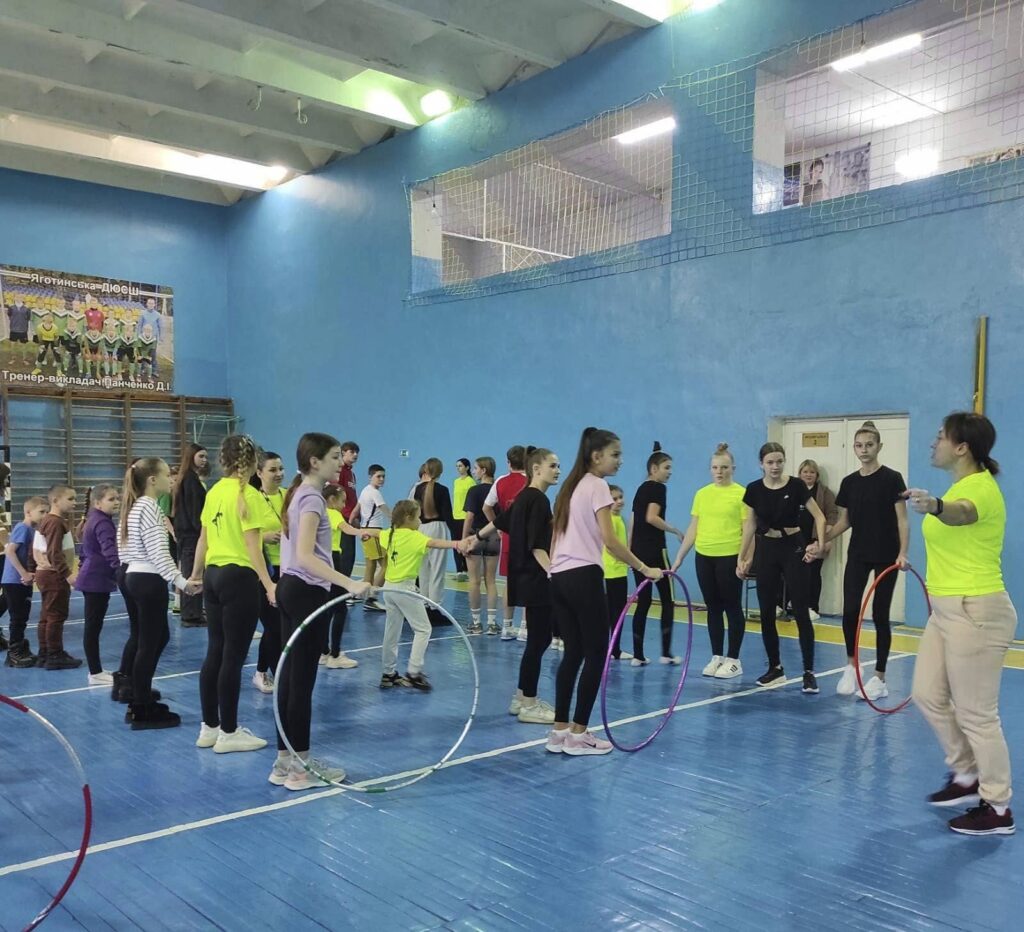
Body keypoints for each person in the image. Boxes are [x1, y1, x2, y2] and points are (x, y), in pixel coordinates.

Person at [906, 413, 1017, 835]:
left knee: (978, 715)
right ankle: (966, 773)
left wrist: (935, 506)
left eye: (940, 437)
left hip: (977, 610)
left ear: (962, 447)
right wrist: (937, 503)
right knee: (926, 694)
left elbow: (961, 514)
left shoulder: (979, 490)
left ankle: (998, 807)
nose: (933, 442)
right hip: (946, 609)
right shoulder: (959, 485)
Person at [546, 428, 662, 757]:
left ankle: (559, 732)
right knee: (597, 653)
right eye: (615, 454)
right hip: (584, 576)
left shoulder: (569, 487)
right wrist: (644, 568)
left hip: (559, 577)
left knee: (573, 653)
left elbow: (556, 538)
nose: (620, 461)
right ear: (596, 456)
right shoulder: (597, 486)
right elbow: (610, 542)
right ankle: (579, 735)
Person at [271, 433, 370, 791]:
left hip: (290, 589)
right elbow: (304, 556)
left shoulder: (298, 493)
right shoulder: (312, 498)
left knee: (289, 680)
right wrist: (349, 583)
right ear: (314, 462)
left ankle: (285, 762)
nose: (340, 463)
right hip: (305, 593)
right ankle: (301, 769)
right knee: (300, 683)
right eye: (334, 457)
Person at [189, 435, 277, 753]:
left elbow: (203, 539)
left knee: (215, 650)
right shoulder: (249, 495)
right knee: (233, 657)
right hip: (239, 578)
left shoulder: (214, 491)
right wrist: (269, 584)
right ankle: (228, 732)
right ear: (253, 462)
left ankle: (209, 728)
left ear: (223, 461)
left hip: (213, 575)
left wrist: (196, 574)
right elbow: (253, 546)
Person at [815, 422, 909, 701]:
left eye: (869, 445)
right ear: (854, 448)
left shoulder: (892, 478)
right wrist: (822, 540)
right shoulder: (849, 482)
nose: (864, 450)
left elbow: (903, 521)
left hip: (887, 555)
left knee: (880, 614)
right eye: (859, 445)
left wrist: (903, 553)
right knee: (851, 610)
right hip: (858, 553)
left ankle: (879, 677)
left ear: (879, 447)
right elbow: (845, 521)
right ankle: (851, 665)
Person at [470, 448, 560, 723]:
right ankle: (529, 704)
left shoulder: (524, 497)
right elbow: (536, 546)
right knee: (539, 640)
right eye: (553, 466)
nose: (557, 470)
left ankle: (521, 696)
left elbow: (500, 520)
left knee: (538, 640)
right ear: (536, 469)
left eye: (558, 466)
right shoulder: (539, 500)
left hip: (522, 578)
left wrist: (475, 538)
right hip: (536, 578)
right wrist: (555, 574)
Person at [737, 442, 826, 694]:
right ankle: (775, 668)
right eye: (770, 462)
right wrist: (742, 557)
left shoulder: (796, 485)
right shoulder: (754, 489)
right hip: (767, 550)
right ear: (761, 464)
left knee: (800, 610)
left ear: (784, 461)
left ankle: (808, 672)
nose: (775, 466)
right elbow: (750, 525)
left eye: (779, 461)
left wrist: (819, 545)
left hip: (793, 547)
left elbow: (820, 516)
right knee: (766, 611)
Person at [119, 458, 197, 729]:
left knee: (155, 638)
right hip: (148, 580)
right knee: (149, 643)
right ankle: (141, 707)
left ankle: (139, 696)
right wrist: (182, 582)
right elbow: (158, 552)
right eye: (166, 475)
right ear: (153, 480)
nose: (171, 479)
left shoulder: (135, 506)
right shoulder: (150, 506)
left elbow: (124, 547)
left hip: (135, 576)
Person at [672, 443, 747, 680]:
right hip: (704, 556)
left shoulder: (742, 494)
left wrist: (744, 558)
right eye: (715, 467)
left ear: (733, 468)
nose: (719, 472)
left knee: (732, 606)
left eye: (724, 467)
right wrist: (680, 556)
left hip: (729, 556)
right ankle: (717, 656)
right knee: (713, 607)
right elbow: (694, 527)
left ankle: (734, 660)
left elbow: (748, 530)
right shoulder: (702, 494)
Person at [378, 500, 469, 691]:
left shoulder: (388, 534)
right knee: (423, 629)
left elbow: (375, 533)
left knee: (391, 631)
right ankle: (414, 672)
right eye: (418, 517)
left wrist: (361, 532)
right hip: (405, 589)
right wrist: (457, 544)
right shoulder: (414, 537)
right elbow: (435, 543)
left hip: (389, 589)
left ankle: (388, 673)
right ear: (408, 518)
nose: (420, 521)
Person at [629, 442, 684, 666]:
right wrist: (674, 529)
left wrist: (629, 551)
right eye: (666, 468)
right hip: (655, 552)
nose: (670, 472)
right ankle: (666, 653)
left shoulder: (640, 488)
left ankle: (638, 655)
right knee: (668, 601)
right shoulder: (659, 489)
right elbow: (651, 517)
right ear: (654, 469)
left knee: (643, 602)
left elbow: (633, 522)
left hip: (637, 552)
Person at [322, 483, 378, 669]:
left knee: (327, 607)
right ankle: (335, 655)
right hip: (333, 559)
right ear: (332, 500)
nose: (344, 505)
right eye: (342, 501)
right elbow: (347, 529)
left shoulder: (318, 513)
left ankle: (323, 651)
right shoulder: (333, 513)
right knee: (339, 608)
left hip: (322, 560)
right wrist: (363, 532)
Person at [75, 484, 122, 685]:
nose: (117, 502)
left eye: (117, 498)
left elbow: (85, 551)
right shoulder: (102, 522)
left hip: (94, 578)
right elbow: (109, 549)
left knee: (94, 626)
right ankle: (95, 673)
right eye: (111, 499)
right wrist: (120, 571)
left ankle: (96, 670)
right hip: (95, 580)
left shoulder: (94, 519)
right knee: (93, 627)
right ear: (97, 503)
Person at [33, 483, 80, 669]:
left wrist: (31, 569)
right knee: (56, 616)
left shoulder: (46, 521)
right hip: (54, 575)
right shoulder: (55, 522)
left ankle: (44, 653)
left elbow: (35, 548)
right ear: (55, 500)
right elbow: (54, 552)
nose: (75, 503)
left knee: (46, 615)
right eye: (70, 499)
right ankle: (54, 655)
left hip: (45, 573)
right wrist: (67, 574)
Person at [484, 445, 528, 640]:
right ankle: (524, 628)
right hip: (528, 536)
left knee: (510, 582)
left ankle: (507, 627)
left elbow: (486, 507)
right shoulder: (531, 481)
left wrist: (499, 527)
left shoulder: (500, 481)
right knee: (528, 581)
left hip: (509, 537)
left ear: (508, 462)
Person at [252, 450, 285, 693]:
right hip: (264, 570)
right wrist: (264, 537)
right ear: (259, 472)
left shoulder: (288, 496)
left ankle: (265, 671)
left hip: (289, 569)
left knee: (282, 627)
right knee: (273, 626)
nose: (278, 473)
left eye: (281, 469)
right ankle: (271, 674)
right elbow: (243, 535)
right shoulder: (253, 499)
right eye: (273, 470)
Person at [2, 496, 49, 668]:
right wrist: (24, 573)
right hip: (15, 580)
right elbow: (10, 551)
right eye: (41, 512)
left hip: (22, 580)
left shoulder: (33, 531)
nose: (45, 515)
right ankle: (14, 653)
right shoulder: (22, 528)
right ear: (28, 512)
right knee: (18, 617)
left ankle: (20, 647)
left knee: (21, 615)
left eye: (47, 512)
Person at [411, 458, 453, 626]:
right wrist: (459, 537)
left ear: (426, 470)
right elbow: (448, 515)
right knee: (437, 570)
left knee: (423, 570)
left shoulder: (417, 489)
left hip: (421, 528)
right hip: (438, 528)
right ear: (440, 471)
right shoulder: (443, 490)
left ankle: (424, 604)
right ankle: (435, 608)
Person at [795, 459, 838, 622]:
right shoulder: (793, 490)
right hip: (795, 540)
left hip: (815, 540)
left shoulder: (825, 493)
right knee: (793, 574)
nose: (808, 475)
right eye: (805, 472)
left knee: (813, 574)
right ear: (800, 474)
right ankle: (789, 605)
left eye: (812, 472)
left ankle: (812, 607)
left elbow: (832, 515)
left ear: (817, 475)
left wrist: (823, 538)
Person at [173, 443, 209, 628]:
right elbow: (195, 511)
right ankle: (190, 615)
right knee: (192, 573)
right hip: (191, 536)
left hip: (188, 534)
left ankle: (193, 610)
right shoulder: (190, 480)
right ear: (191, 457)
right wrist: (202, 531)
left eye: (205, 457)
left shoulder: (188, 478)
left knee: (191, 571)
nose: (204, 460)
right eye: (201, 456)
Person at [463, 456, 500, 635]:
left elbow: (469, 516)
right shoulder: (498, 488)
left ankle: (477, 623)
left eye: (476, 468)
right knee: (491, 581)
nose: (474, 471)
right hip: (493, 535)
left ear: (484, 470)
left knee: (474, 581)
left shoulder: (474, 490)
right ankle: (492, 623)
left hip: (475, 535)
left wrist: (464, 539)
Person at [602, 485, 633, 661]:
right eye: (614, 499)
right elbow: (610, 547)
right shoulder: (609, 521)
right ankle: (610, 649)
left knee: (618, 612)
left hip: (619, 572)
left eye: (620, 497)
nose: (619, 501)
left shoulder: (619, 519)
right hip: (611, 573)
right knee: (613, 613)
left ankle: (614, 648)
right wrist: (626, 559)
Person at [357, 464, 389, 610]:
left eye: (383, 476)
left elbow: (355, 511)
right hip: (373, 532)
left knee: (370, 565)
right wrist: (399, 521)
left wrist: (354, 524)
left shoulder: (364, 490)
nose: (381, 479)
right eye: (378, 476)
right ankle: (372, 598)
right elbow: (385, 510)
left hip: (365, 531)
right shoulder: (375, 493)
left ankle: (361, 593)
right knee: (387, 565)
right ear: (370, 477)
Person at [333, 440, 360, 594]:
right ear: (343, 453)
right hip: (343, 518)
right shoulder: (340, 471)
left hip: (351, 518)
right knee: (345, 556)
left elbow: (352, 497)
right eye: (352, 452)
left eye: (357, 452)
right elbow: (337, 495)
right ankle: (341, 591)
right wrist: (347, 515)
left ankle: (344, 591)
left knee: (350, 556)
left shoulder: (351, 473)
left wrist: (356, 515)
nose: (355, 455)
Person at [451, 458, 475, 581]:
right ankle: (459, 571)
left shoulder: (471, 482)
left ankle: (467, 570)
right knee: (455, 544)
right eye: (457, 466)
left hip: (465, 517)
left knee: (465, 543)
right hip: (455, 517)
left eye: (460, 466)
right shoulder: (456, 481)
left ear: (467, 467)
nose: (458, 468)